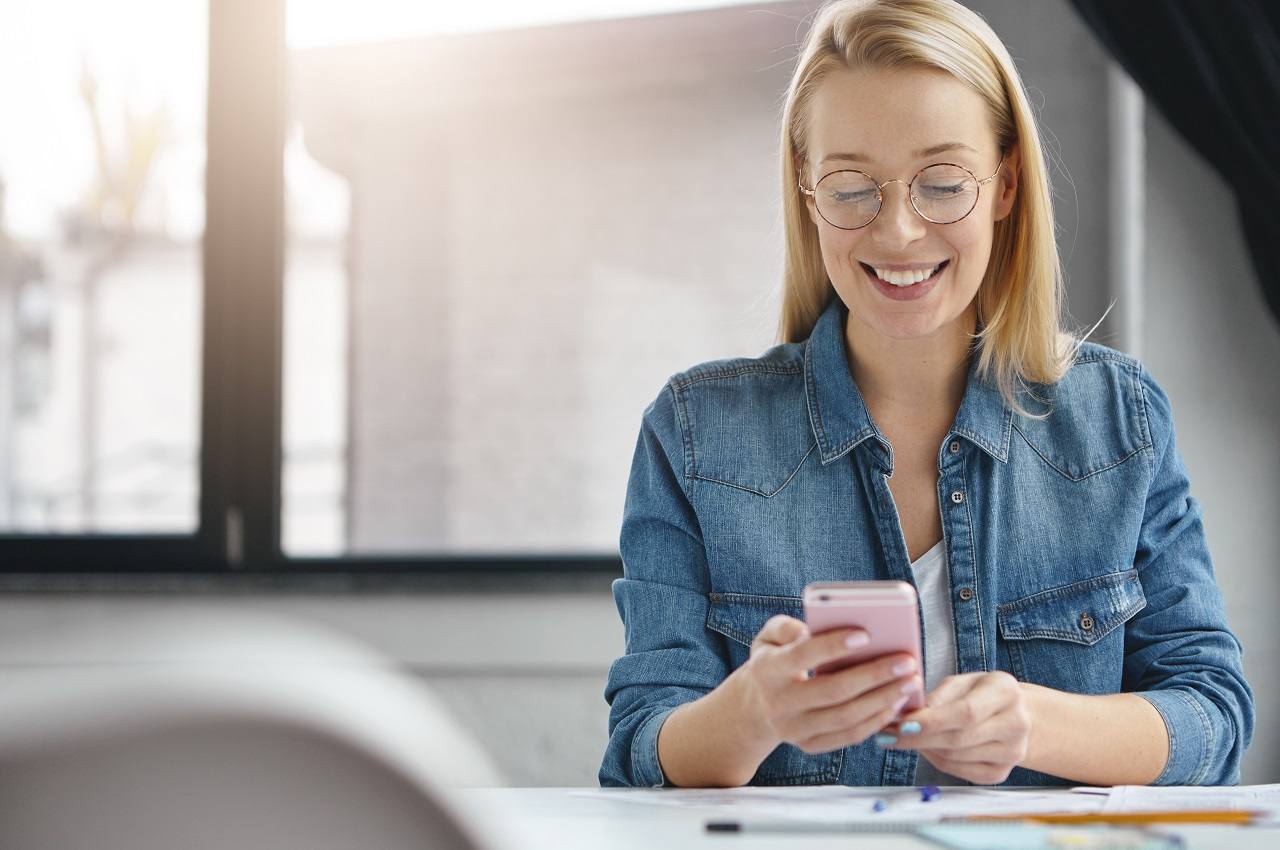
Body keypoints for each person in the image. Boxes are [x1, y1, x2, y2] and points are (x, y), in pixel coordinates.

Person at [599, 0, 1253, 789]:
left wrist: (1035, 725)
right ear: (807, 195)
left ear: (1006, 186)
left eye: (942, 183)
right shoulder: (694, 433)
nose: (899, 231)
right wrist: (753, 712)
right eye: (850, 188)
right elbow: (641, 746)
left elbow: (1214, 717)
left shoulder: (1121, 420)